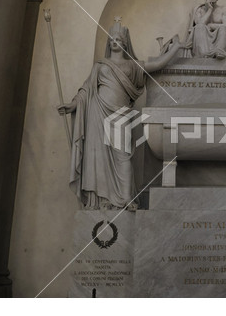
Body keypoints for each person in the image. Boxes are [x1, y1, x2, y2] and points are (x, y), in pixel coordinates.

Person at [58, 19, 183, 210]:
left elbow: (158, 65)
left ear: (125, 43)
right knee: (97, 156)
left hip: (121, 114)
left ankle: (125, 198)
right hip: (98, 112)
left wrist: (176, 49)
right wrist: (73, 104)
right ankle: (101, 201)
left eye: (118, 39)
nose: (115, 41)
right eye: (112, 39)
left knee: (123, 155)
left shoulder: (132, 66)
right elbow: (86, 90)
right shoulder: (100, 66)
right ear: (109, 43)